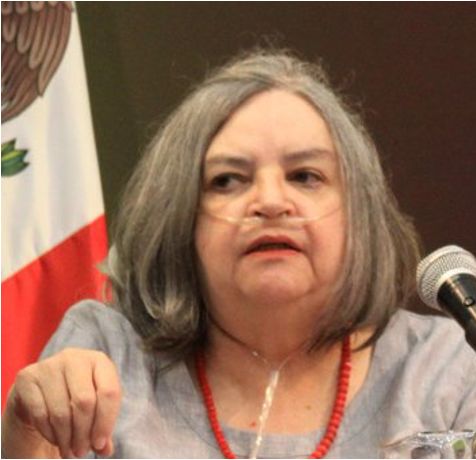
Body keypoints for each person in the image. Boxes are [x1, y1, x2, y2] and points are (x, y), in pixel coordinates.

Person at [2, 49, 475, 459]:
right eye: (227, 180)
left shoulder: (447, 370)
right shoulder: (106, 356)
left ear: (359, 214)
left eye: (305, 176)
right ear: (181, 217)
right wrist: (25, 439)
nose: (270, 202)